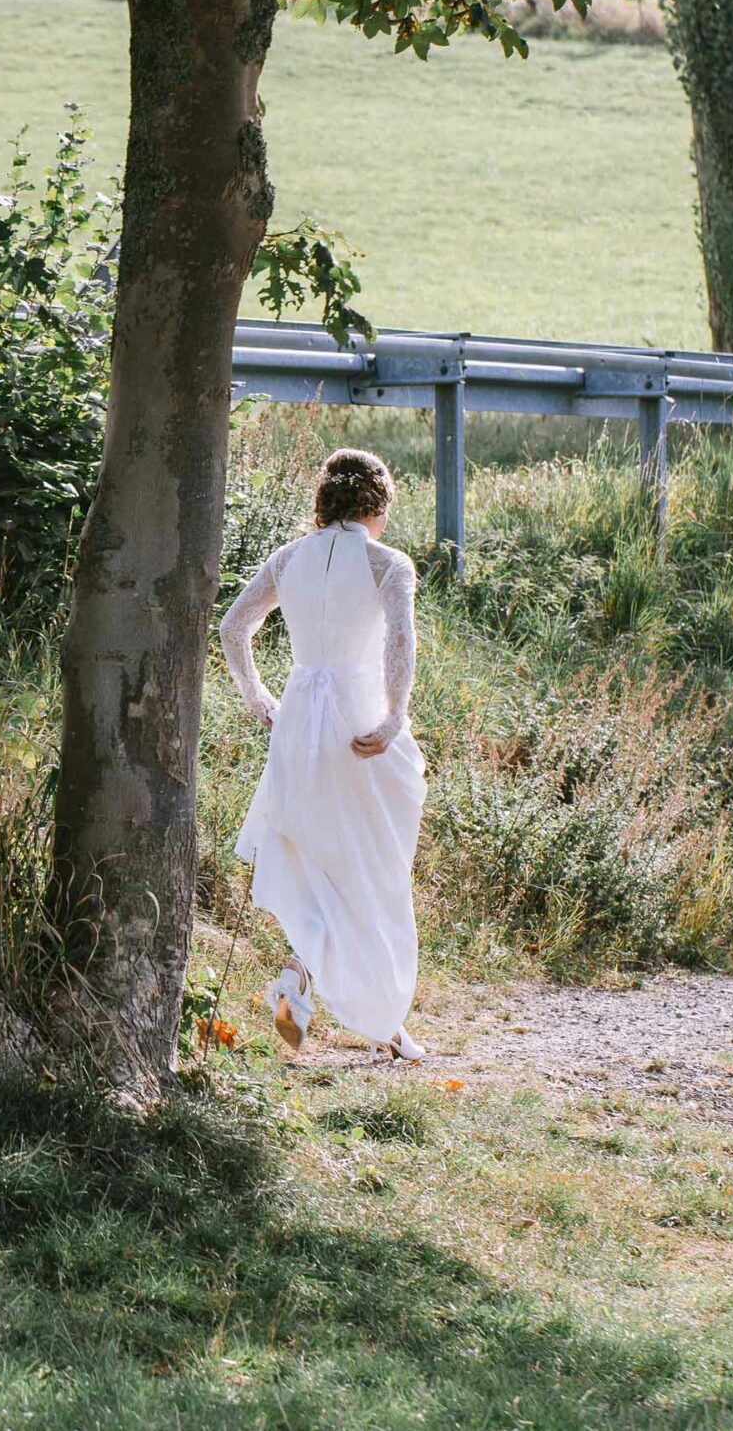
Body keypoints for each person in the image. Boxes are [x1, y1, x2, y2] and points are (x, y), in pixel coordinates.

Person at [218, 447, 428, 1061]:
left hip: (299, 719)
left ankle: (308, 978)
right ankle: (379, 1016)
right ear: (378, 504)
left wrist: (259, 699)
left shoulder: (289, 559)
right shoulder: (388, 563)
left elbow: (233, 627)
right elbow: (398, 641)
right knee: (372, 870)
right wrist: (394, 717)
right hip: (359, 723)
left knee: (315, 860)